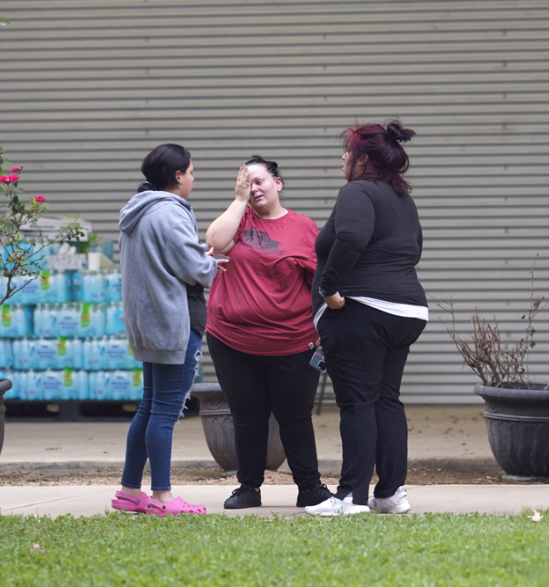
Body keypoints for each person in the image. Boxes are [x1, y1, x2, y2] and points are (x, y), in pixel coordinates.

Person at [305, 120, 428, 517]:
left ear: (364, 160)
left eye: (348, 151)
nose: (343, 157)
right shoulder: (401, 199)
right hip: (406, 311)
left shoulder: (356, 192)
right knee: (385, 401)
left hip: (362, 311)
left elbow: (352, 238)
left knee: (358, 402)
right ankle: (391, 494)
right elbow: (414, 249)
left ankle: (351, 498)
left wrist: (328, 288)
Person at [205, 155, 333, 510]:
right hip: (231, 339)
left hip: (292, 342)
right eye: (246, 181)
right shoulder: (238, 219)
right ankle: (248, 487)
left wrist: (324, 329)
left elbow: (324, 283)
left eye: (259, 181)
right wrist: (239, 200)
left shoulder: (305, 229)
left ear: (278, 183)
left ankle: (310, 487)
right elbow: (214, 243)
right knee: (247, 415)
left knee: (295, 416)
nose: (254, 187)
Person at [111, 143, 226, 516]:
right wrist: (209, 263)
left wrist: (195, 258)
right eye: (192, 172)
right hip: (173, 324)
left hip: (148, 324)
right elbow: (193, 268)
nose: (194, 179)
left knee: (148, 408)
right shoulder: (170, 213)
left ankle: (129, 491)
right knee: (164, 412)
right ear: (177, 176)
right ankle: (162, 497)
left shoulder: (136, 211)